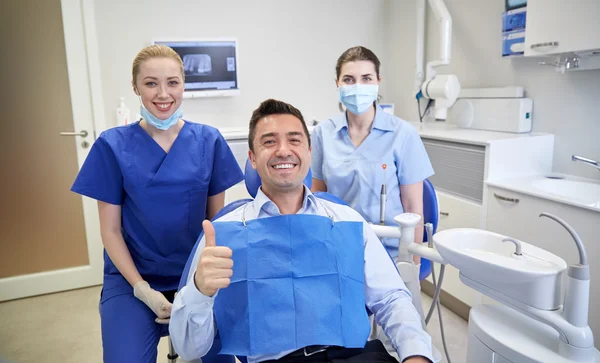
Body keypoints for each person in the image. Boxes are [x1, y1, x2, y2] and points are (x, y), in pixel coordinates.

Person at [170, 99, 433, 363]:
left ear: (309, 151)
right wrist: (199, 292)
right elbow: (190, 349)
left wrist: (416, 354)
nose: (283, 151)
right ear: (252, 158)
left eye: (294, 140)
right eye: (269, 142)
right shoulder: (223, 235)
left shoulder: (346, 221)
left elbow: (391, 298)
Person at [70, 44, 244, 362]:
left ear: (183, 85)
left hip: (196, 275)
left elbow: (215, 226)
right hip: (132, 279)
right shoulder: (112, 145)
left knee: (221, 355)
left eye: (172, 82)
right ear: (135, 87)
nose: (163, 93)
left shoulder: (209, 141)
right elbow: (110, 231)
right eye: (151, 83)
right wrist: (142, 289)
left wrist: (199, 286)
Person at [309, 46, 434, 338]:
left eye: (366, 78)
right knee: (334, 328)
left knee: (400, 332)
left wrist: (411, 263)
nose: (358, 87)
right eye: (349, 79)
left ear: (378, 81)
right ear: (337, 84)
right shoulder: (323, 134)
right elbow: (319, 198)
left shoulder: (403, 135)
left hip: (390, 248)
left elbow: (413, 205)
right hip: (339, 246)